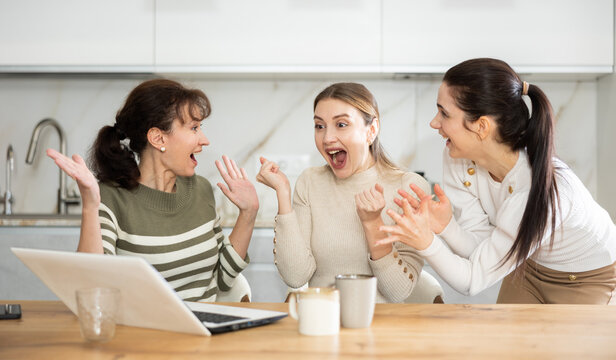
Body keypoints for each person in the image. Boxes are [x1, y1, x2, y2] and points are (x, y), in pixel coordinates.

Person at [377, 58, 616, 304]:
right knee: (507, 342)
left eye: (444, 113)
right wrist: (446, 227)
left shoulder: (538, 192)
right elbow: (480, 249)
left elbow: (471, 280)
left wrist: (425, 242)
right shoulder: (458, 158)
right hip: (528, 267)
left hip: (588, 278)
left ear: (481, 126)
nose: (434, 123)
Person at [47, 79, 259, 302]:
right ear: (158, 138)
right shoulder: (111, 198)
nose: (204, 140)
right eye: (194, 128)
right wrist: (90, 206)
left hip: (206, 330)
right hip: (142, 335)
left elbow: (223, 280)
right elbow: (91, 290)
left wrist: (248, 213)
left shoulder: (201, 190)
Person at [256, 82, 431, 303]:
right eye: (319, 126)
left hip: (384, 329)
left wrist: (373, 224)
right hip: (323, 323)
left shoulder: (409, 188)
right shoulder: (310, 182)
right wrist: (282, 193)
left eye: (341, 124)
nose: (327, 138)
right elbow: (295, 276)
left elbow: (398, 292)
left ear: (372, 130)